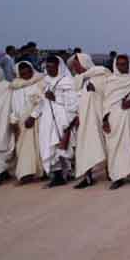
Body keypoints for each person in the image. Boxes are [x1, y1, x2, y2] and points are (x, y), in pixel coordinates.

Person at [103, 55, 130, 189]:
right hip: (114, 119)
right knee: (115, 147)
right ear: (116, 65)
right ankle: (117, 177)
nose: (123, 67)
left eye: (125, 64)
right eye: (120, 64)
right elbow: (105, 103)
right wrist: (105, 120)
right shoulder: (110, 81)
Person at [68, 53, 110, 189]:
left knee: (107, 144)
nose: (75, 68)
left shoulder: (100, 75)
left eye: (77, 65)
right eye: (74, 66)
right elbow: (74, 101)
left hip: (100, 116)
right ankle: (87, 177)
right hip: (84, 120)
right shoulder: (77, 80)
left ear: (84, 62)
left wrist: (96, 91)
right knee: (84, 147)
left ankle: (111, 172)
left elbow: (108, 95)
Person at [39, 56, 78, 187]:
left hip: (62, 117)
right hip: (48, 118)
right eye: (47, 67)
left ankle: (66, 173)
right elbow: (42, 102)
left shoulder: (67, 81)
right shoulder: (46, 81)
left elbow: (72, 103)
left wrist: (55, 98)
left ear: (58, 67)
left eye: (51, 66)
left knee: (62, 146)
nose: (49, 69)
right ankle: (57, 174)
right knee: (50, 146)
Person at [10, 61, 45, 183]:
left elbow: (42, 102)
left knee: (35, 147)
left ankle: (29, 173)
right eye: (23, 72)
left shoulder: (39, 82)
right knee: (21, 148)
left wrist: (33, 116)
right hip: (21, 123)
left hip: (35, 120)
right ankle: (27, 171)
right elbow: (13, 106)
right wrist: (13, 120)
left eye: (28, 71)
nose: (26, 74)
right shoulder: (15, 87)